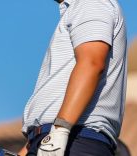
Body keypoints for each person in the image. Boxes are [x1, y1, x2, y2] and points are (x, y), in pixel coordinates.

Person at [17, 0, 127, 155]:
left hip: (75, 140)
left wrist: (59, 131)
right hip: (59, 139)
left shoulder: (90, 3)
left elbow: (92, 63)